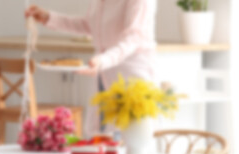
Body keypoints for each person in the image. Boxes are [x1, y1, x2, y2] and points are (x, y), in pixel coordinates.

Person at [25, 0, 157, 136]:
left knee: (130, 141)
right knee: (101, 140)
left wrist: (103, 60)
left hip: (130, 79)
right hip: (103, 73)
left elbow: (134, 37)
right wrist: (49, 17)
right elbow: (89, 25)